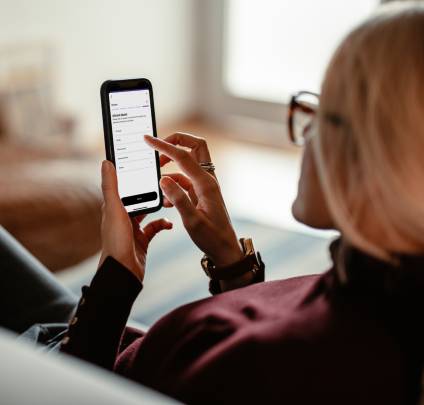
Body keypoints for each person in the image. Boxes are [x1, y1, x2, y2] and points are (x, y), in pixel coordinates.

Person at [2, 2, 424, 404]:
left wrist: (116, 277)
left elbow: (66, 393)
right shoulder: (384, 309)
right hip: (107, 339)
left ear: (382, 156)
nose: (306, 132)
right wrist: (229, 259)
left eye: (323, 111)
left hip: (77, 357)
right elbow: (259, 327)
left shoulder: (273, 362)